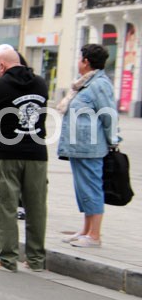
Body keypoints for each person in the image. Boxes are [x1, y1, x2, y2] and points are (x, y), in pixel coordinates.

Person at [0, 47, 48, 272]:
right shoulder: (41, 83)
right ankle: (35, 259)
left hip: (6, 153)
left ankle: (8, 258)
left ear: (1, 66)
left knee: (5, 205)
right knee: (36, 207)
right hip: (36, 153)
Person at [57, 44, 118, 248]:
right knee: (83, 189)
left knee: (92, 189)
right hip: (79, 147)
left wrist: (113, 140)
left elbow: (109, 115)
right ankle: (85, 230)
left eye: (80, 58)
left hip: (90, 147)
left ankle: (95, 235)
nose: (78, 62)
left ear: (86, 62)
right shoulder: (84, 83)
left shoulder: (100, 84)